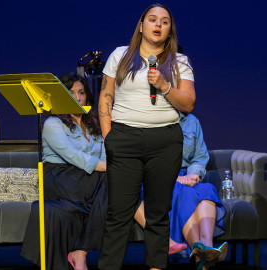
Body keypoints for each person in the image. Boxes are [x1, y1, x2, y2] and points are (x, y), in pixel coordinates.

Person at [97, 3, 196, 270]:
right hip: (124, 139)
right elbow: (106, 96)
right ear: (141, 26)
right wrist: (109, 138)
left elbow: (188, 103)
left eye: (164, 22)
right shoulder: (120, 55)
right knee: (119, 213)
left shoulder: (180, 61)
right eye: (152, 20)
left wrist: (164, 85)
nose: (158, 25)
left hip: (164, 142)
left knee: (157, 214)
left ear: (169, 30)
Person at [21, 73, 107, 270]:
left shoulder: (94, 125)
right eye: (71, 93)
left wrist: (110, 167)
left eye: (81, 92)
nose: (77, 98)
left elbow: (104, 153)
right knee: (114, 181)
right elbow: (74, 156)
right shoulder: (53, 124)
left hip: (86, 179)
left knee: (113, 183)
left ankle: (81, 252)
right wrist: (112, 169)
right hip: (58, 176)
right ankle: (156, 234)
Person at [133, 112, 227, 270]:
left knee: (207, 189)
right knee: (183, 192)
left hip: (187, 175)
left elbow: (200, 156)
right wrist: (175, 178)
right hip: (159, 178)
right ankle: (200, 257)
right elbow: (146, 159)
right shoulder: (151, 117)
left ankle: (207, 246)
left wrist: (194, 174)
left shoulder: (192, 121)